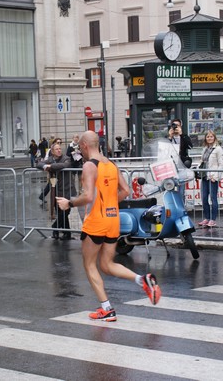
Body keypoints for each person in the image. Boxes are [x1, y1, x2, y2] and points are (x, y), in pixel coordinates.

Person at [56, 131, 161, 322]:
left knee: (89, 265)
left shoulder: (90, 165)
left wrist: (69, 203)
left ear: (86, 146)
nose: (80, 151)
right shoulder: (111, 164)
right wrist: (111, 204)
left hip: (96, 221)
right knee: (106, 264)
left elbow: (88, 196)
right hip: (113, 219)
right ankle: (141, 279)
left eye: (80, 148)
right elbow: (126, 190)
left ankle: (107, 308)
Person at [37, 141, 77, 240]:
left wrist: (50, 167)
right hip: (56, 190)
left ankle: (55, 227)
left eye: (60, 149)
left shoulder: (66, 158)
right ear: (52, 151)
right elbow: (38, 164)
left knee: (65, 211)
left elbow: (65, 165)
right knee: (60, 212)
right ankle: (66, 233)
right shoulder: (50, 159)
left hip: (67, 189)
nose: (59, 150)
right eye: (57, 149)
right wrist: (44, 166)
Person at [197, 130, 223, 227]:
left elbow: (221, 164)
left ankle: (213, 219)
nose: (209, 138)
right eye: (208, 136)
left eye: (211, 136)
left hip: (212, 177)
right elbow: (202, 161)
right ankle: (207, 218)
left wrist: (216, 176)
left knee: (213, 198)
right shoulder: (204, 149)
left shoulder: (218, 149)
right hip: (204, 176)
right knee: (204, 198)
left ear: (214, 138)